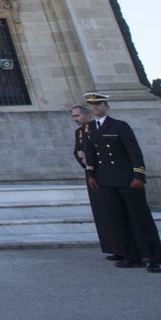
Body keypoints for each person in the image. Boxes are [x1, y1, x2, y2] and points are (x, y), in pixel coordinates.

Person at [81, 91, 161, 273]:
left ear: (106, 106)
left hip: (126, 179)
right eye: (92, 105)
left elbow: (134, 153)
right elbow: (90, 154)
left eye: (99, 104)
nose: (95, 107)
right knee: (117, 220)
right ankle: (131, 256)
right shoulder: (90, 129)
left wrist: (139, 176)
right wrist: (91, 174)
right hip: (105, 180)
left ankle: (155, 258)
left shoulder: (119, 126)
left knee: (140, 219)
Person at [70, 103, 115, 258]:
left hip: (106, 173)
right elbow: (77, 150)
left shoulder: (101, 128)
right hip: (92, 174)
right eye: (74, 116)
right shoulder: (80, 132)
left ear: (86, 114)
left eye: (77, 116)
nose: (75, 119)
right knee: (102, 212)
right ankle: (115, 248)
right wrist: (82, 158)